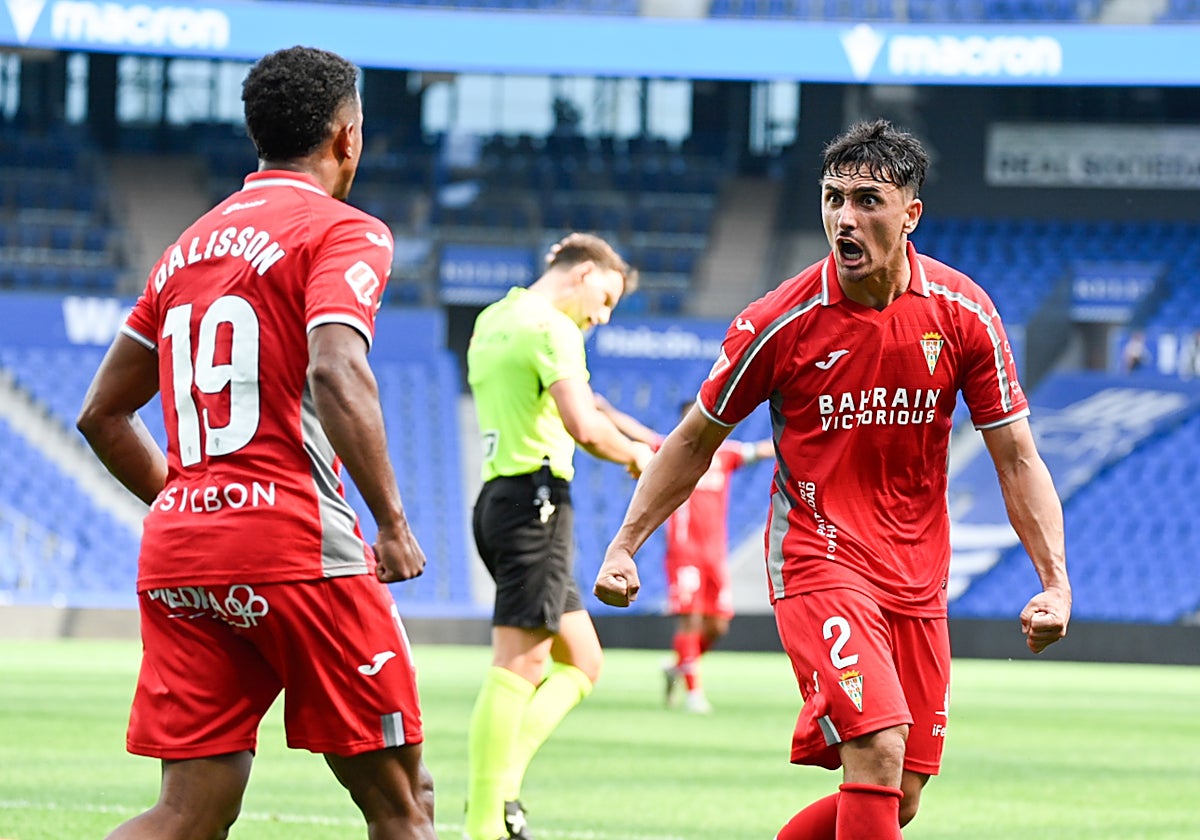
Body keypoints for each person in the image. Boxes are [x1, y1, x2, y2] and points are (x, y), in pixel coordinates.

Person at [594, 120, 1070, 839]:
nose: (845, 217)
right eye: (832, 198)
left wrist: (1055, 579)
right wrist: (624, 545)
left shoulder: (964, 312)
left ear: (911, 213)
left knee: (899, 793)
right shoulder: (780, 321)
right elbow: (694, 439)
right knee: (877, 750)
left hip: (916, 575)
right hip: (819, 560)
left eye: (867, 200)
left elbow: (1018, 457)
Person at [75, 46, 438, 840]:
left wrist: (191, 498)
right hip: (298, 547)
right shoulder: (346, 232)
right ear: (349, 137)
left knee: (189, 811)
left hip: (181, 552)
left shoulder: (186, 247)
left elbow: (102, 414)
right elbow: (339, 367)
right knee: (405, 806)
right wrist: (392, 524)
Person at [465, 232, 653, 840]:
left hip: (497, 498)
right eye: (604, 299)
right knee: (521, 663)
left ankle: (507, 785)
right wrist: (636, 458)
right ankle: (484, 823)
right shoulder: (553, 329)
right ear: (582, 273)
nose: (601, 315)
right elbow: (583, 426)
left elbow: (560, 406)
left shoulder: (494, 319)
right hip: (536, 503)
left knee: (583, 659)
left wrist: (628, 438)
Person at [659, 400, 773, 714]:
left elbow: (762, 449)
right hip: (684, 553)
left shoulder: (725, 455)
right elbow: (638, 436)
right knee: (691, 619)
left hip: (715, 554)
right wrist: (607, 414)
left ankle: (678, 665)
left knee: (718, 625)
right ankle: (695, 693)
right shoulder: (672, 452)